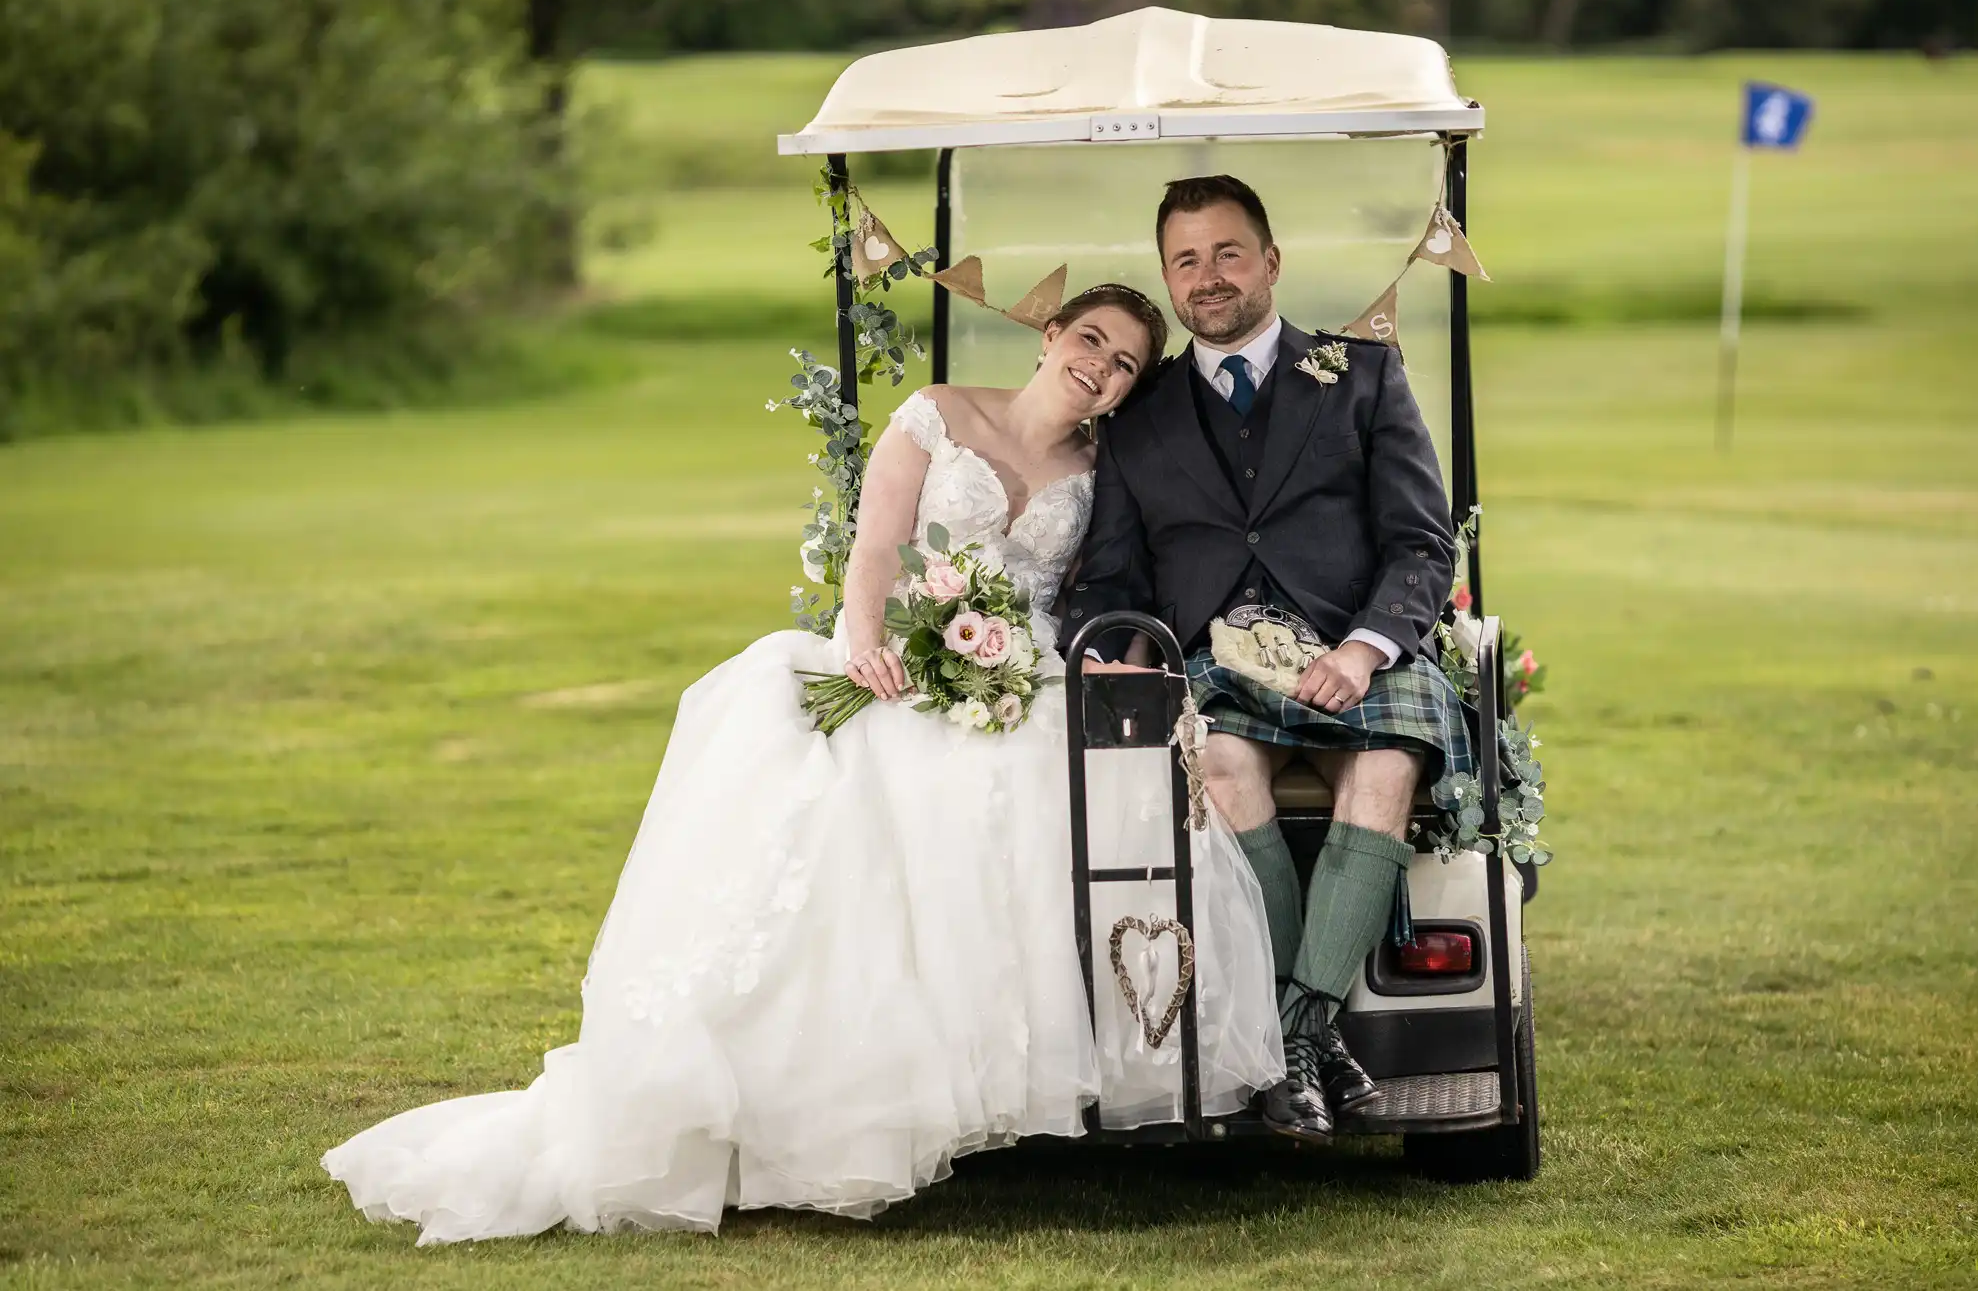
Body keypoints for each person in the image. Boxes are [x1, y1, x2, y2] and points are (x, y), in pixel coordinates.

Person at [322, 284, 1284, 1243]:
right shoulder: (940, 414)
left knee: (1081, 801)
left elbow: (1097, 582)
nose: (1100, 367)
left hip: (1017, 669)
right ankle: (846, 1096)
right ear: (1048, 333)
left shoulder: (1100, 463)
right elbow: (875, 549)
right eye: (1090, 340)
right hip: (898, 652)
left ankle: (1052, 1073)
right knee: (884, 807)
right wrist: (871, 643)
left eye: (1122, 364)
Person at [1058, 178, 1467, 1145]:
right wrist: (1116, 655)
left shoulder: (1364, 375)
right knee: (1226, 767)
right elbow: (1110, 572)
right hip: (1214, 667)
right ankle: (1316, 1044)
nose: (1208, 277)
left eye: (1228, 253)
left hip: (1354, 649)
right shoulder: (1136, 415)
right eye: (1186, 261)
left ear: (1271, 262)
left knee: (1386, 765)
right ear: (1168, 277)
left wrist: (1366, 652)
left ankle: (1291, 1042)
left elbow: (1421, 543)